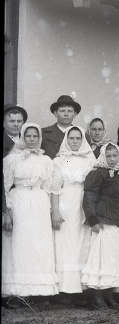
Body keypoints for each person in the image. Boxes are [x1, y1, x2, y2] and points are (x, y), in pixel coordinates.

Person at [2, 123, 59, 307]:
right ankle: (18, 293)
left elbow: (50, 188)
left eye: (35, 136)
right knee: (20, 244)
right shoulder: (12, 160)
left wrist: (52, 210)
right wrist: (7, 213)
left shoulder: (46, 161)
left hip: (39, 203)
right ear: (23, 138)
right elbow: (5, 187)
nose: (32, 139)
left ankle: (38, 292)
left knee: (38, 246)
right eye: (29, 136)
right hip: (19, 202)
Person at [81, 142, 119, 309]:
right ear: (103, 156)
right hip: (104, 222)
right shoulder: (97, 174)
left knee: (115, 261)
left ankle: (110, 296)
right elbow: (89, 197)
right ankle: (97, 298)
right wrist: (93, 220)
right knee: (102, 261)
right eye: (109, 156)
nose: (112, 159)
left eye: (115, 155)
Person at [50, 126, 96, 302]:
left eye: (78, 138)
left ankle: (81, 289)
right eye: (72, 139)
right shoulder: (59, 161)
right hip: (65, 203)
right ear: (66, 140)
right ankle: (65, 290)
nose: (75, 142)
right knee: (65, 245)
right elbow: (54, 188)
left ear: (83, 140)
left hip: (84, 203)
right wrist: (55, 211)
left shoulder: (90, 161)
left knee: (83, 243)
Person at [42, 95, 82, 159]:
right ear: (55, 113)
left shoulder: (82, 136)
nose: (66, 114)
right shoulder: (43, 134)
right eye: (62, 111)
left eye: (69, 111)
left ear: (74, 114)